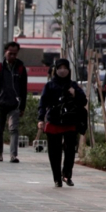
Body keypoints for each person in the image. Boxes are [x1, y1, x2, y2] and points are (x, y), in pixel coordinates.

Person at [37, 59, 87, 188]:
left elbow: (83, 101)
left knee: (70, 151)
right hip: (54, 121)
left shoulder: (73, 85)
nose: (62, 70)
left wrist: (75, 94)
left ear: (69, 70)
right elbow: (42, 103)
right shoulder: (50, 86)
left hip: (70, 122)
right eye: (60, 68)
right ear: (56, 70)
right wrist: (40, 119)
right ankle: (57, 178)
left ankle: (67, 175)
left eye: (65, 68)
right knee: (54, 153)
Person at [0, 41, 28, 163]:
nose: (12, 56)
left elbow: (23, 89)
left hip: (14, 104)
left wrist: (22, 107)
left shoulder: (21, 68)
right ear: (5, 52)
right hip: (0, 103)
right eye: (10, 53)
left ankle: (13, 155)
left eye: (15, 54)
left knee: (13, 129)